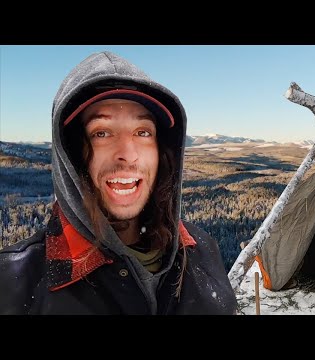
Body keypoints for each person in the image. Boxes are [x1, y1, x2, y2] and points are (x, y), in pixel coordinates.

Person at [0, 51, 238, 315]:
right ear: (71, 154)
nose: (128, 153)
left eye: (143, 132)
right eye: (101, 133)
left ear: (162, 150)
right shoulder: (14, 285)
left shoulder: (202, 250)